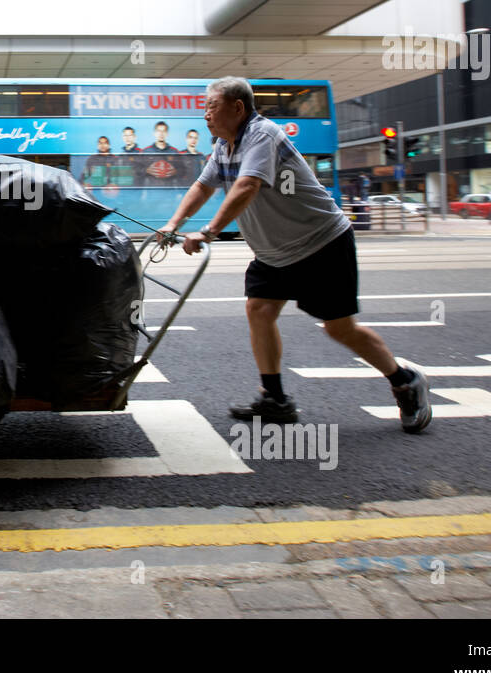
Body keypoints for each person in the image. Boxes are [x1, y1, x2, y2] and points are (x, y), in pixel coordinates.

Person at [155, 76, 431, 433]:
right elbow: (203, 185)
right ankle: (275, 399)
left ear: (237, 108)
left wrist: (208, 232)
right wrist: (172, 224)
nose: (205, 114)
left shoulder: (262, 135)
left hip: (321, 244)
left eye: (211, 106)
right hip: (274, 253)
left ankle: (404, 380)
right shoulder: (224, 148)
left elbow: (248, 185)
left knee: (340, 328)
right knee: (259, 309)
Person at [140, 120, 183, 185]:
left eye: (164, 131)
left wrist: (176, 171)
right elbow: (137, 170)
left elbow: (183, 170)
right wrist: (146, 170)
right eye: (158, 131)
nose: (161, 134)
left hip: (170, 190)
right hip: (151, 191)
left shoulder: (174, 151)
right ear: (154, 133)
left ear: (167, 133)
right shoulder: (145, 151)